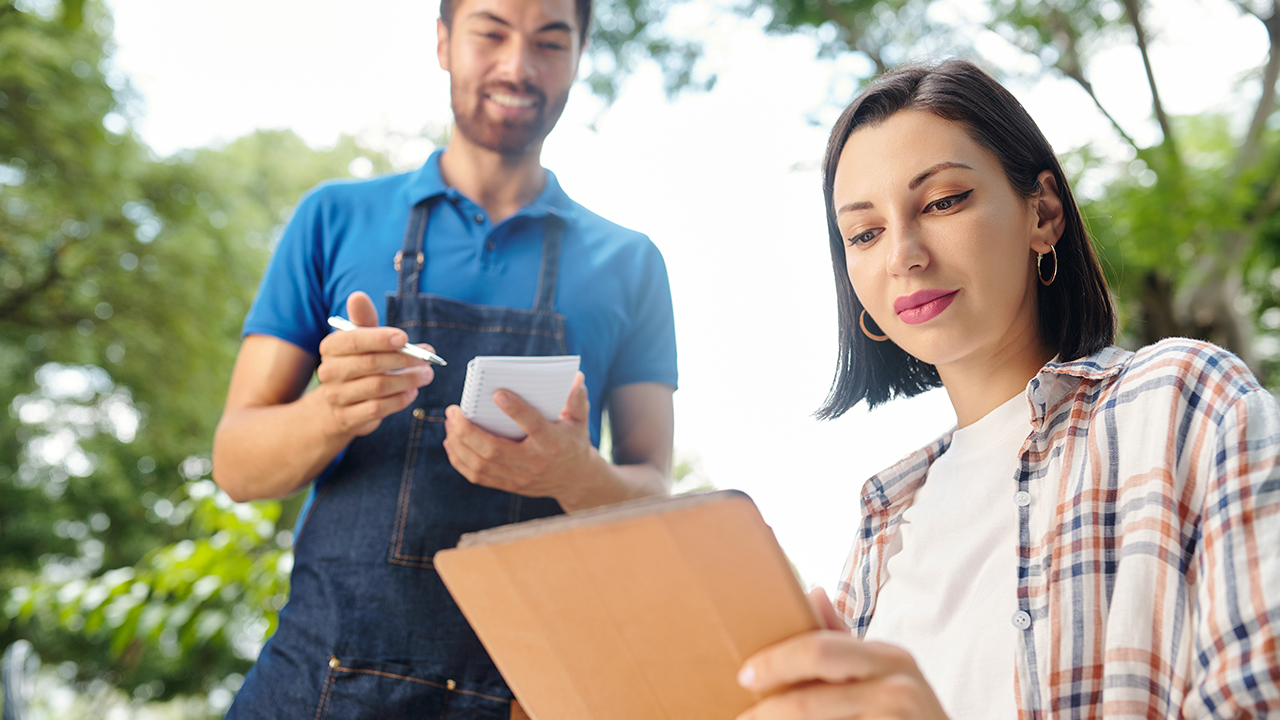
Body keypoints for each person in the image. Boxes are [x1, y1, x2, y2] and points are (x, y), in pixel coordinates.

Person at [734, 59, 1280, 719]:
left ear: (1043, 213)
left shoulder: (1182, 402)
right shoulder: (883, 531)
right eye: (865, 233)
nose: (903, 253)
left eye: (942, 202)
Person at [209, 0, 678, 714]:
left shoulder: (631, 264)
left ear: (580, 55)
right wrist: (330, 411)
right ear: (442, 42)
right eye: (491, 33)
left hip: (524, 699)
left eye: (550, 42)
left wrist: (578, 475)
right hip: (315, 687)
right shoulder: (334, 218)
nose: (517, 67)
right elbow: (237, 465)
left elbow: (656, 500)